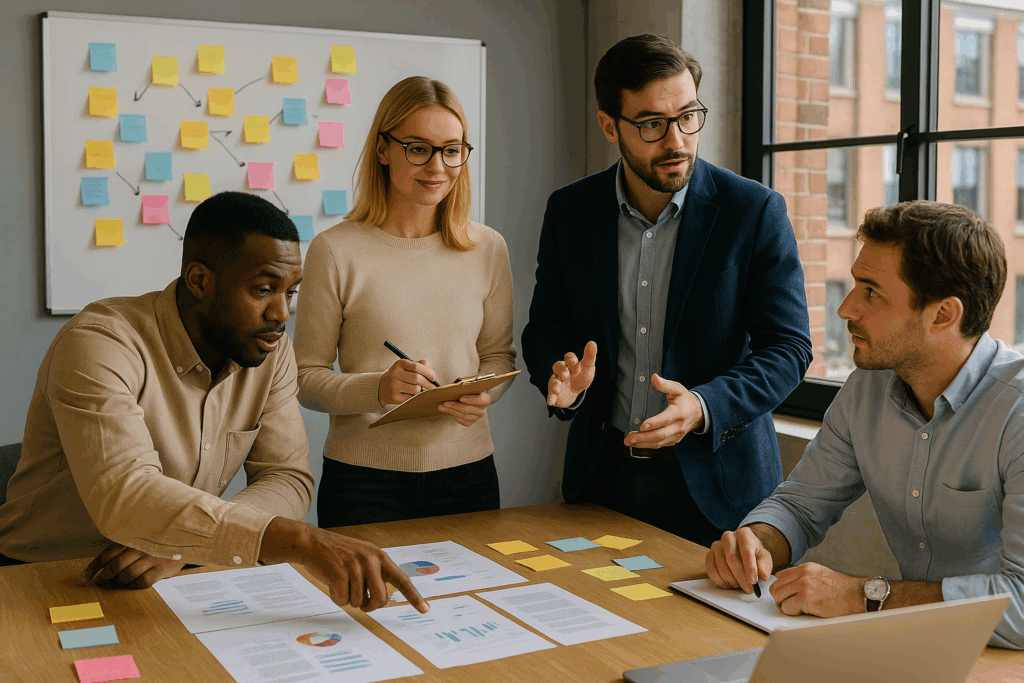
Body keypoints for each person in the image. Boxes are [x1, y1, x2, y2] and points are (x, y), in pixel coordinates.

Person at [0, 192, 426, 614]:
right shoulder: (99, 343)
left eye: (291, 293)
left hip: (170, 580)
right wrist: (300, 541)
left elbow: (288, 478)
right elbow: (124, 493)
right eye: (263, 289)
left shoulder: (271, 351)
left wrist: (183, 544)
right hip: (43, 577)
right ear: (200, 281)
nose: (281, 313)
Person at [521, 34, 811, 546]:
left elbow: (788, 349)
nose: (676, 141)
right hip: (601, 480)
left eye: (688, 116)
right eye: (652, 124)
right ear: (610, 125)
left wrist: (703, 406)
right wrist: (561, 376)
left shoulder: (754, 211)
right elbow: (547, 327)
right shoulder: (570, 212)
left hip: (721, 488)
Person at [706, 201, 1024, 648]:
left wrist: (864, 596)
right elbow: (800, 506)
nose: (846, 308)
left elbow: (1023, 606)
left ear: (943, 315)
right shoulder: (866, 390)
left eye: (871, 292)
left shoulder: (1018, 413)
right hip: (919, 648)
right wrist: (756, 543)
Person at [293, 76, 516, 528]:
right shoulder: (334, 250)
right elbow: (303, 378)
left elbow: (498, 356)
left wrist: (482, 392)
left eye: (452, 150)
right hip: (363, 483)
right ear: (383, 149)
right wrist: (376, 389)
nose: (438, 166)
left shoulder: (488, 248)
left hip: (468, 475)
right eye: (418, 148)